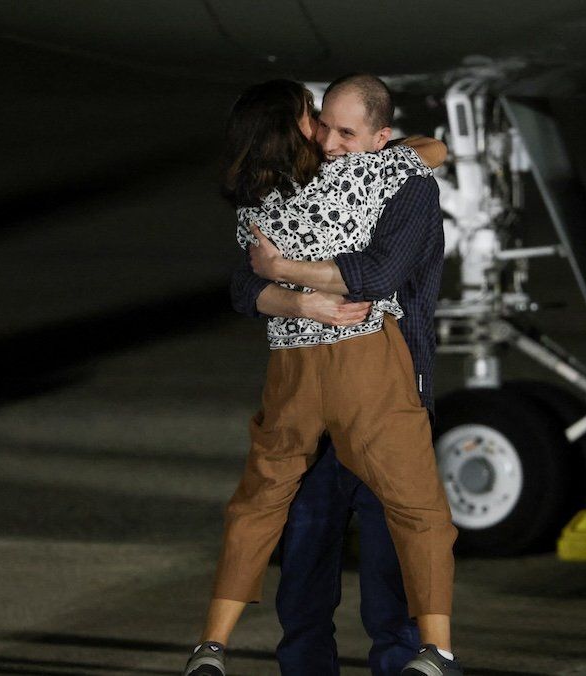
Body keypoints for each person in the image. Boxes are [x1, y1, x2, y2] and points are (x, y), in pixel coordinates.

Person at [183, 79, 462, 676]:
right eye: (319, 123)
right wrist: (300, 301)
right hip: (364, 381)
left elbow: (380, 268)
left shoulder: (273, 200)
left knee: (377, 574)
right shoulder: (362, 176)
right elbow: (247, 285)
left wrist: (283, 278)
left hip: (365, 385)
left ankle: (212, 646)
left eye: (344, 131)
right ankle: (433, 656)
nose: (329, 140)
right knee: (316, 561)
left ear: (377, 137)